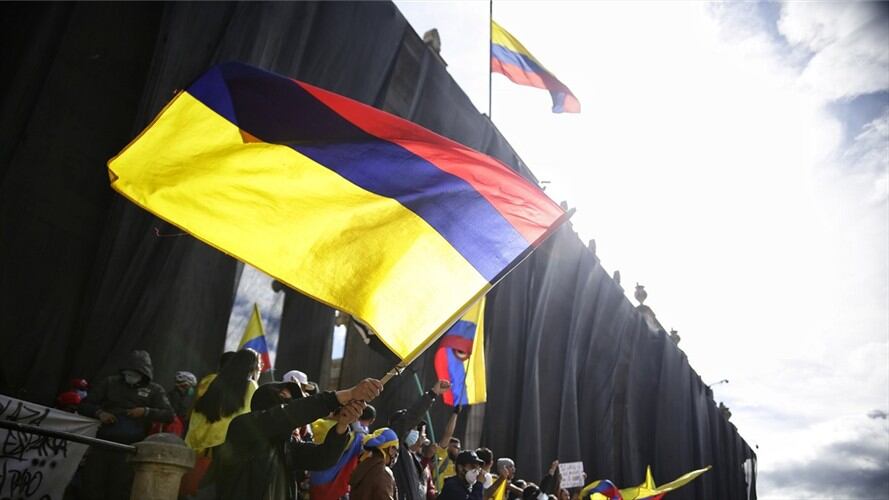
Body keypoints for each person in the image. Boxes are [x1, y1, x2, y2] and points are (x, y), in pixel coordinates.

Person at [213, 378, 382, 500]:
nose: (290, 404)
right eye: (284, 399)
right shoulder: (243, 426)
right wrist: (347, 394)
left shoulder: (287, 446)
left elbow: (323, 458)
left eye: (293, 401)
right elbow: (287, 415)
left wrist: (342, 425)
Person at [79, 350, 174, 500]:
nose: (130, 376)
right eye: (127, 373)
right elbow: (84, 405)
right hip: (102, 443)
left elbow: (169, 415)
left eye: (135, 374)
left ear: (144, 374)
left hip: (130, 449)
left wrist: (145, 411)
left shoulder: (155, 390)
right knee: (91, 486)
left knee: (119, 489)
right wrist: (100, 413)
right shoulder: (110, 382)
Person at [183, 349, 261, 494]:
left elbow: (197, 414)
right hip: (228, 449)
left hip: (201, 446)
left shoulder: (213, 381)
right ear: (253, 367)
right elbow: (248, 418)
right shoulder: (251, 386)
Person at [389, 379, 451, 500]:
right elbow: (411, 417)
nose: (419, 434)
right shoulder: (394, 450)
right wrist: (433, 393)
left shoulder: (411, 457)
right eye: (413, 427)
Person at [350, 427, 400, 500]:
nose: (395, 454)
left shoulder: (362, 465)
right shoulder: (383, 473)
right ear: (390, 449)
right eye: (395, 449)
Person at [433, 406, 461, 492]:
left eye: (459, 448)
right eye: (455, 447)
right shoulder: (441, 455)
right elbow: (448, 434)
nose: (458, 450)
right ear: (448, 445)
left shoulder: (459, 466)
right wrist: (455, 413)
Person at [163, 370, 197, 436]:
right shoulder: (175, 396)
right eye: (191, 387)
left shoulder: (176, 396)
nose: (191, 389)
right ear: (185, 385)